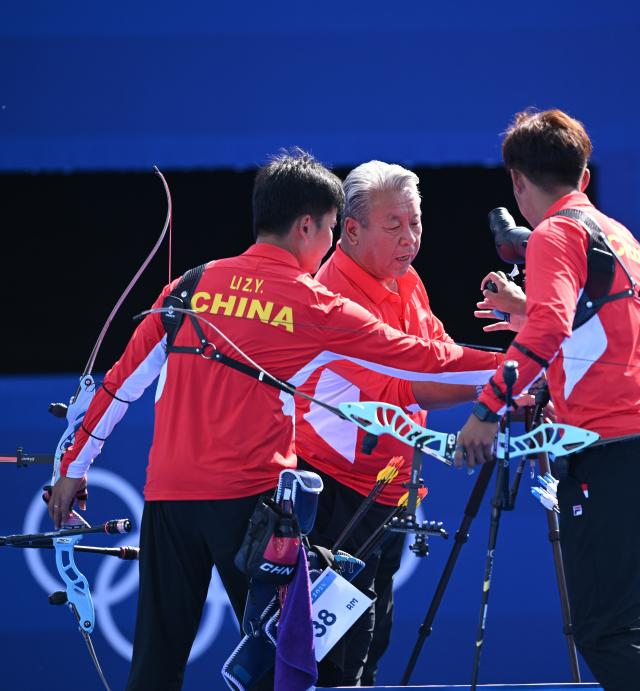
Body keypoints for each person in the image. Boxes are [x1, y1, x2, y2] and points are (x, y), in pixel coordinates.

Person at [47, 149, 502, 691]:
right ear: (306, 226)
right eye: (330, 229)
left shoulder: (190, 285)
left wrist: (72, 470)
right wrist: (522, 365)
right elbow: (423, 359)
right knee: (279, 670)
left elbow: (118, 386)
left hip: (168, 503)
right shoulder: (312, 302)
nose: (331, 244)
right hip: (251, 508)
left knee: (154, 669)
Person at [457, 109, 640, 691]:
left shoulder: (555, 233)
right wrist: (527, 311)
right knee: (637, 632)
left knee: (606, 634)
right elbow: (598, 330)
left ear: (517, 181)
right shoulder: (618, 234)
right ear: (583, 176)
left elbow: (548, 330)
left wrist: (486, 411)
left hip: (616, 453)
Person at [294, 160, 479, 686]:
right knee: (336, 657)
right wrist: (509, 378)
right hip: (335, 493)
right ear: (351, 230)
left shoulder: (405, 278)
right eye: (394, 225)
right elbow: (406, 385)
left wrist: (513, 373)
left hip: (389, 488)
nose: (410, 238)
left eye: (415, 222)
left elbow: (440, 350)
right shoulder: (331, 299)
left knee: (372, 643)